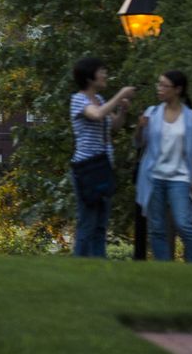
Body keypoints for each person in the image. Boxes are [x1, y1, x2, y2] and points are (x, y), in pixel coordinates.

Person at [70, 57, 138, 258]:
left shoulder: (99, 100)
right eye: (102, 71)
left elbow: (113, 126)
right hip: (87, 168)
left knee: (101, 224)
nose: (105, 74)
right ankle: (79, 265)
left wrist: (122, 111)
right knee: (87, 222)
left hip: (103, 167)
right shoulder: (79, 100)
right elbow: (97, 115)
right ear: (89, 77)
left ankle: (99, 266)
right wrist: (120, 95)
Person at [137, 69, 192, 263]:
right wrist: (140, 127)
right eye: (158, 84)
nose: (159, 89)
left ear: (177, 89)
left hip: (180, 178)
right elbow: (139, 143)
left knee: (183, 223)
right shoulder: (152, 112)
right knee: (156, 228)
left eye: (163, 85)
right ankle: (163, 266)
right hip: (154, 177)